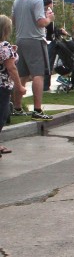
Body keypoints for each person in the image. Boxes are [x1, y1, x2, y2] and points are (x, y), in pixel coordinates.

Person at [10, 0, 53, 120]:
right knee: (38, 74)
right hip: (35, 39)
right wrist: (49, 19)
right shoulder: (36, 0)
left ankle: (17, 107)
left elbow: (13, 21)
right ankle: (37, 109)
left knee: (21, 75)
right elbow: (40, 22)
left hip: (20, 39)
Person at [0, 16, 26, 155]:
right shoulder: (4, 46)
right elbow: (11, 68)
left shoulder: (6, 47)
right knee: (1, 114)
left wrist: (12, 52)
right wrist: (19, 86)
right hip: (2, 85)